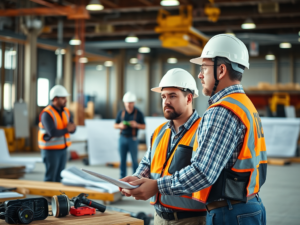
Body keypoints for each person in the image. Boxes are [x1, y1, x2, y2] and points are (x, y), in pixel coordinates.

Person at [121, 34, 267, 225]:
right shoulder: (244, 105)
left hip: (230, 211)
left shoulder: (222, 111)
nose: (200, 75)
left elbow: (203, 172)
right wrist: (138, 180)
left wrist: (156, 186)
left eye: (204, 68)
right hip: (245, 205)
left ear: (221, 70)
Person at [121, 69, 206, 225]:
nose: (166, 101)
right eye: (163, 96)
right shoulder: (159, 132)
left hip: (191, 219)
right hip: (159, 217)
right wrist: (137, 178)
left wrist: (157, 186)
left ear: (188, 98)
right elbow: (148, 163)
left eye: (172, 96)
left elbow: (200, 173)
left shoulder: (203, 131)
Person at [38, 85, 76, 182]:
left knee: (60, 178)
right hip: (51, 151)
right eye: (63, 98)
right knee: (50, 178)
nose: (66, 100)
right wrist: (67, 129)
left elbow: (72, 128)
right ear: (55, 99)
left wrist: (71, 128)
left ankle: (57, 198)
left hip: (63, 149)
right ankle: (46, 198)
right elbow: (52, 132)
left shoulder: (66, 111)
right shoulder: (46, 114)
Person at [114, 92, 146, 179]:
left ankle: (135, 179)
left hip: (133, 139)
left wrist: (136, 125)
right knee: (122, 160)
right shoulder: (121, 112)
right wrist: (120, 125)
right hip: (122, 138)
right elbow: (115, 125)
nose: (129, 104)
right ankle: (122, 179)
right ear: (124, 103)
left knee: (134, 161)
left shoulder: (138, 113)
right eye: (127, 102)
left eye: (131, 102)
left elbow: (144, 126)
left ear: (134, 102)